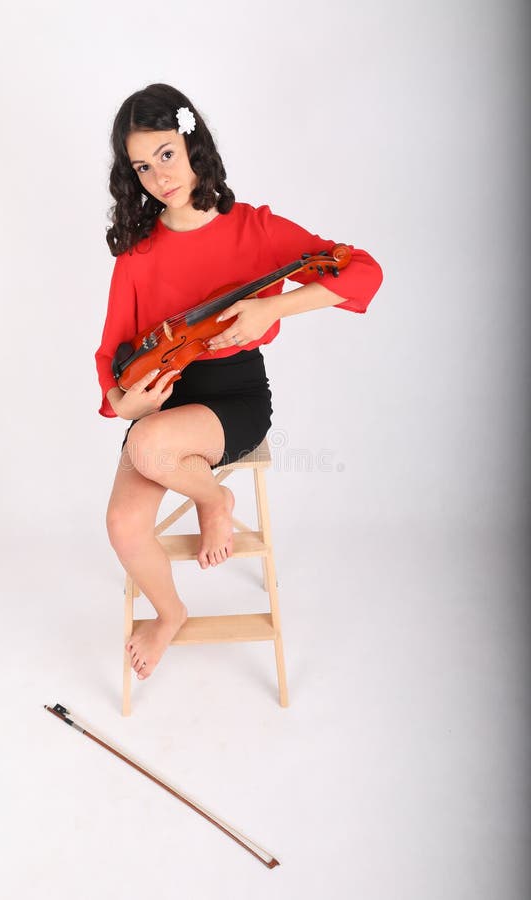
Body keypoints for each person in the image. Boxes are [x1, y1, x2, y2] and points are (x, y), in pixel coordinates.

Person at [95, 83, 383, 681]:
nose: (158, 178)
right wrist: (125, 400)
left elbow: (364, 272)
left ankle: (214, 498)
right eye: (142, 167)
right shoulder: (138, 252)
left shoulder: (256, 229)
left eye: (166, 154)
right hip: (165, 397)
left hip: (234, 397)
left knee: (151, 448)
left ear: (192, 141)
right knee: (123, 523)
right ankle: (169, 612)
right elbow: (113, 349)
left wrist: (273, 309)